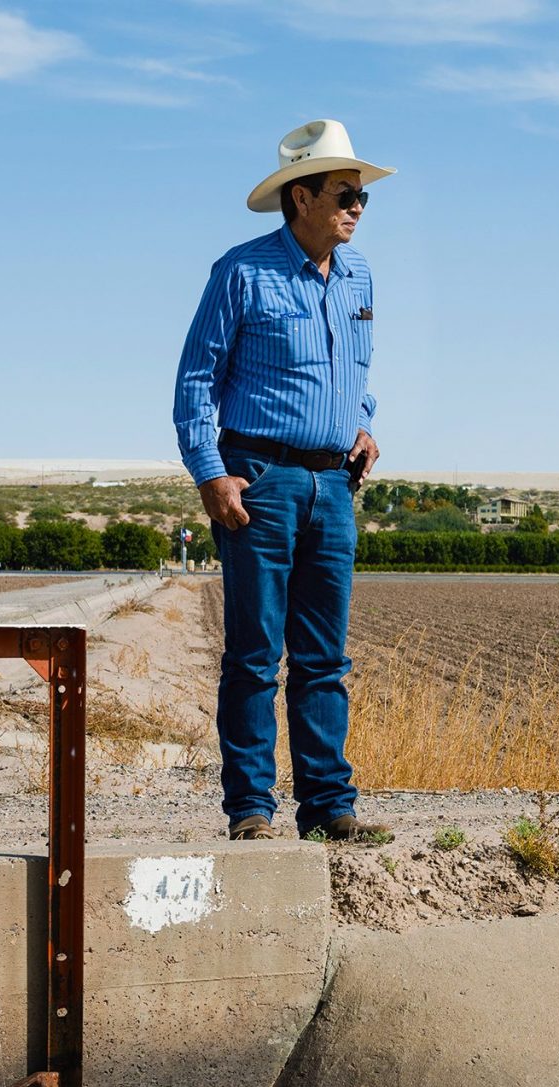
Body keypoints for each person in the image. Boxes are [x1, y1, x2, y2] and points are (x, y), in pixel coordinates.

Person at [173, 119, 392, 840]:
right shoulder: (242, 272)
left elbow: (355, 375)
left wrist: (362, 423)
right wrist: (211, 474)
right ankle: (251, 812)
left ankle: (330, 810)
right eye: (344, 192)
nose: (357, 206)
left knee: (325, 659)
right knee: (256, 658)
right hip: (258, 482)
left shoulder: (359, 276)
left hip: (334, 488)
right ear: (300, 197)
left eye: (361, 195)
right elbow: (195, 381)